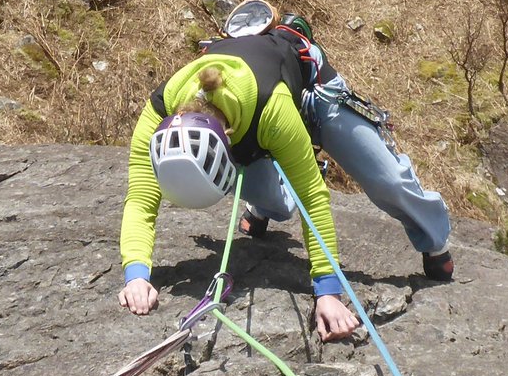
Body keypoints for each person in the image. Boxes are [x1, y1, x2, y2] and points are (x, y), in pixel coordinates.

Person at [118, 28, 361, 342]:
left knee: (387, 181)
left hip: (306, 86)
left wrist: (328, 291)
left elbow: (312, 196)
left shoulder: (271, 107)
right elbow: (141, 198)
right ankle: (272, 181)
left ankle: (435, 242)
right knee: (281, 205)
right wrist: (136, 275)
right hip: (247, 132)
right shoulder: (159, 110)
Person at [241, 14, 453, 282]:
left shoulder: (298, 52)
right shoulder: (221, 69)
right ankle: (267, 204)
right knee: (255, 164)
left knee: (388, 181)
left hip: (322, 93)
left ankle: (433, 236)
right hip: (263, 106)